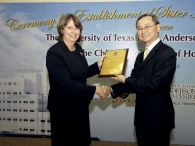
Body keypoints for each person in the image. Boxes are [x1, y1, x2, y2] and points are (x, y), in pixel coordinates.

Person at [110, 13, 177, 146]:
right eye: (139, 28)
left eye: (147, 27)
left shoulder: (167, 53)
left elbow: (155, 84)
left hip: (159, 118)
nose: (143, 31)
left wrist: (125, 80)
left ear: (158, 27)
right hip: (141, 117)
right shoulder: (141, 56)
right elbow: (134, 80)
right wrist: (111, 89)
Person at [46, 13, 109, 146]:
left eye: (77, 27)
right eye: (69, 27)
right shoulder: (54, 53)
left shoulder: (78, 49)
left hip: (79, 104)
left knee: (81, 141)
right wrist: (97, 89)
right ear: (61, 30)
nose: (74, 31)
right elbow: (67, 84)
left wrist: (98, 65)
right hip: (63, 109)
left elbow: (82, 72)